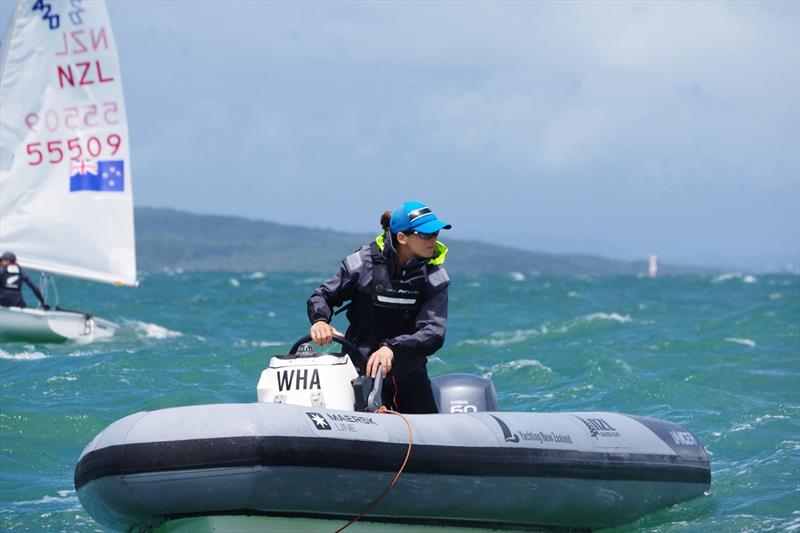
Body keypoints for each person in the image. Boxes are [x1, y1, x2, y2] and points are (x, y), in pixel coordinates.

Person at [307, 201, 452, 414]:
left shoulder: (434, 275)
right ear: (402, 238)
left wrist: (392, 348)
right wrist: (320, 321)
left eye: (436, 233)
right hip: (360, 372)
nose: (433, 239)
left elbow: (434, 333)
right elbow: (322, 296)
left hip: (410, 376)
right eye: (425, 234)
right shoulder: (362, 263)